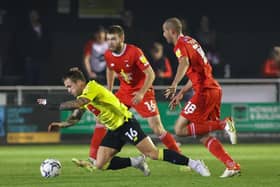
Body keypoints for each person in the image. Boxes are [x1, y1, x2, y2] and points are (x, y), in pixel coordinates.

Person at [42, 67, 211, 177]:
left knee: (153, 153)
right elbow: (76, 116)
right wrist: (62, 125)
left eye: (69, 86)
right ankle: (136, 162)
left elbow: (78, 104)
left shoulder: (91, 88)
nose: (68, 90)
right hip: (114, 130)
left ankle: (194, 163)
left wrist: (50, 105)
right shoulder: (83, 96)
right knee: (100, 164)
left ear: (79, 82)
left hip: (126, 123)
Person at [162, 17, 240, 178]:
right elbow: (196, 72)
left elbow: (183, 64)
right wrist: (182, 92)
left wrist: (174, 83)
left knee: (179, 129)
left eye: (165, 31)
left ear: (172, 31)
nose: (163, 35)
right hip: (213, 89)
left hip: (204, 92)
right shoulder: (191, 41)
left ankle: (224, 124)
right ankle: (231, 165)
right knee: (202, 135)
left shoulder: (180, 45)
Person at [105, 25, 180, 154]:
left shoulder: (134, 52)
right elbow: (110, 69)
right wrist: (109, 91)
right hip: (124, 91)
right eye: (108, 39)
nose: (110, 42)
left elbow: (151, 74)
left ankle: (179, 156)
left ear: (122, 38)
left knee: (157, 128)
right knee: (109, 120)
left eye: (113, 39)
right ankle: (99, 157)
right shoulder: (108, 54)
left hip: (143, 91)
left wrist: (141, 93)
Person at [21, 9, 51, 85]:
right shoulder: (26, 30)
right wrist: (26, 56)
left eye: (35, 15)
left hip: (42, 59)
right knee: (30, 79)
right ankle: (29, 96)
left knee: (41, 80)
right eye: (32, 16)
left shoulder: (44, 29)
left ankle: (40, 96)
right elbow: (23, 44)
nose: (33, 17)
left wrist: (47, 55)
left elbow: (48, 43)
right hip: (30, 59)